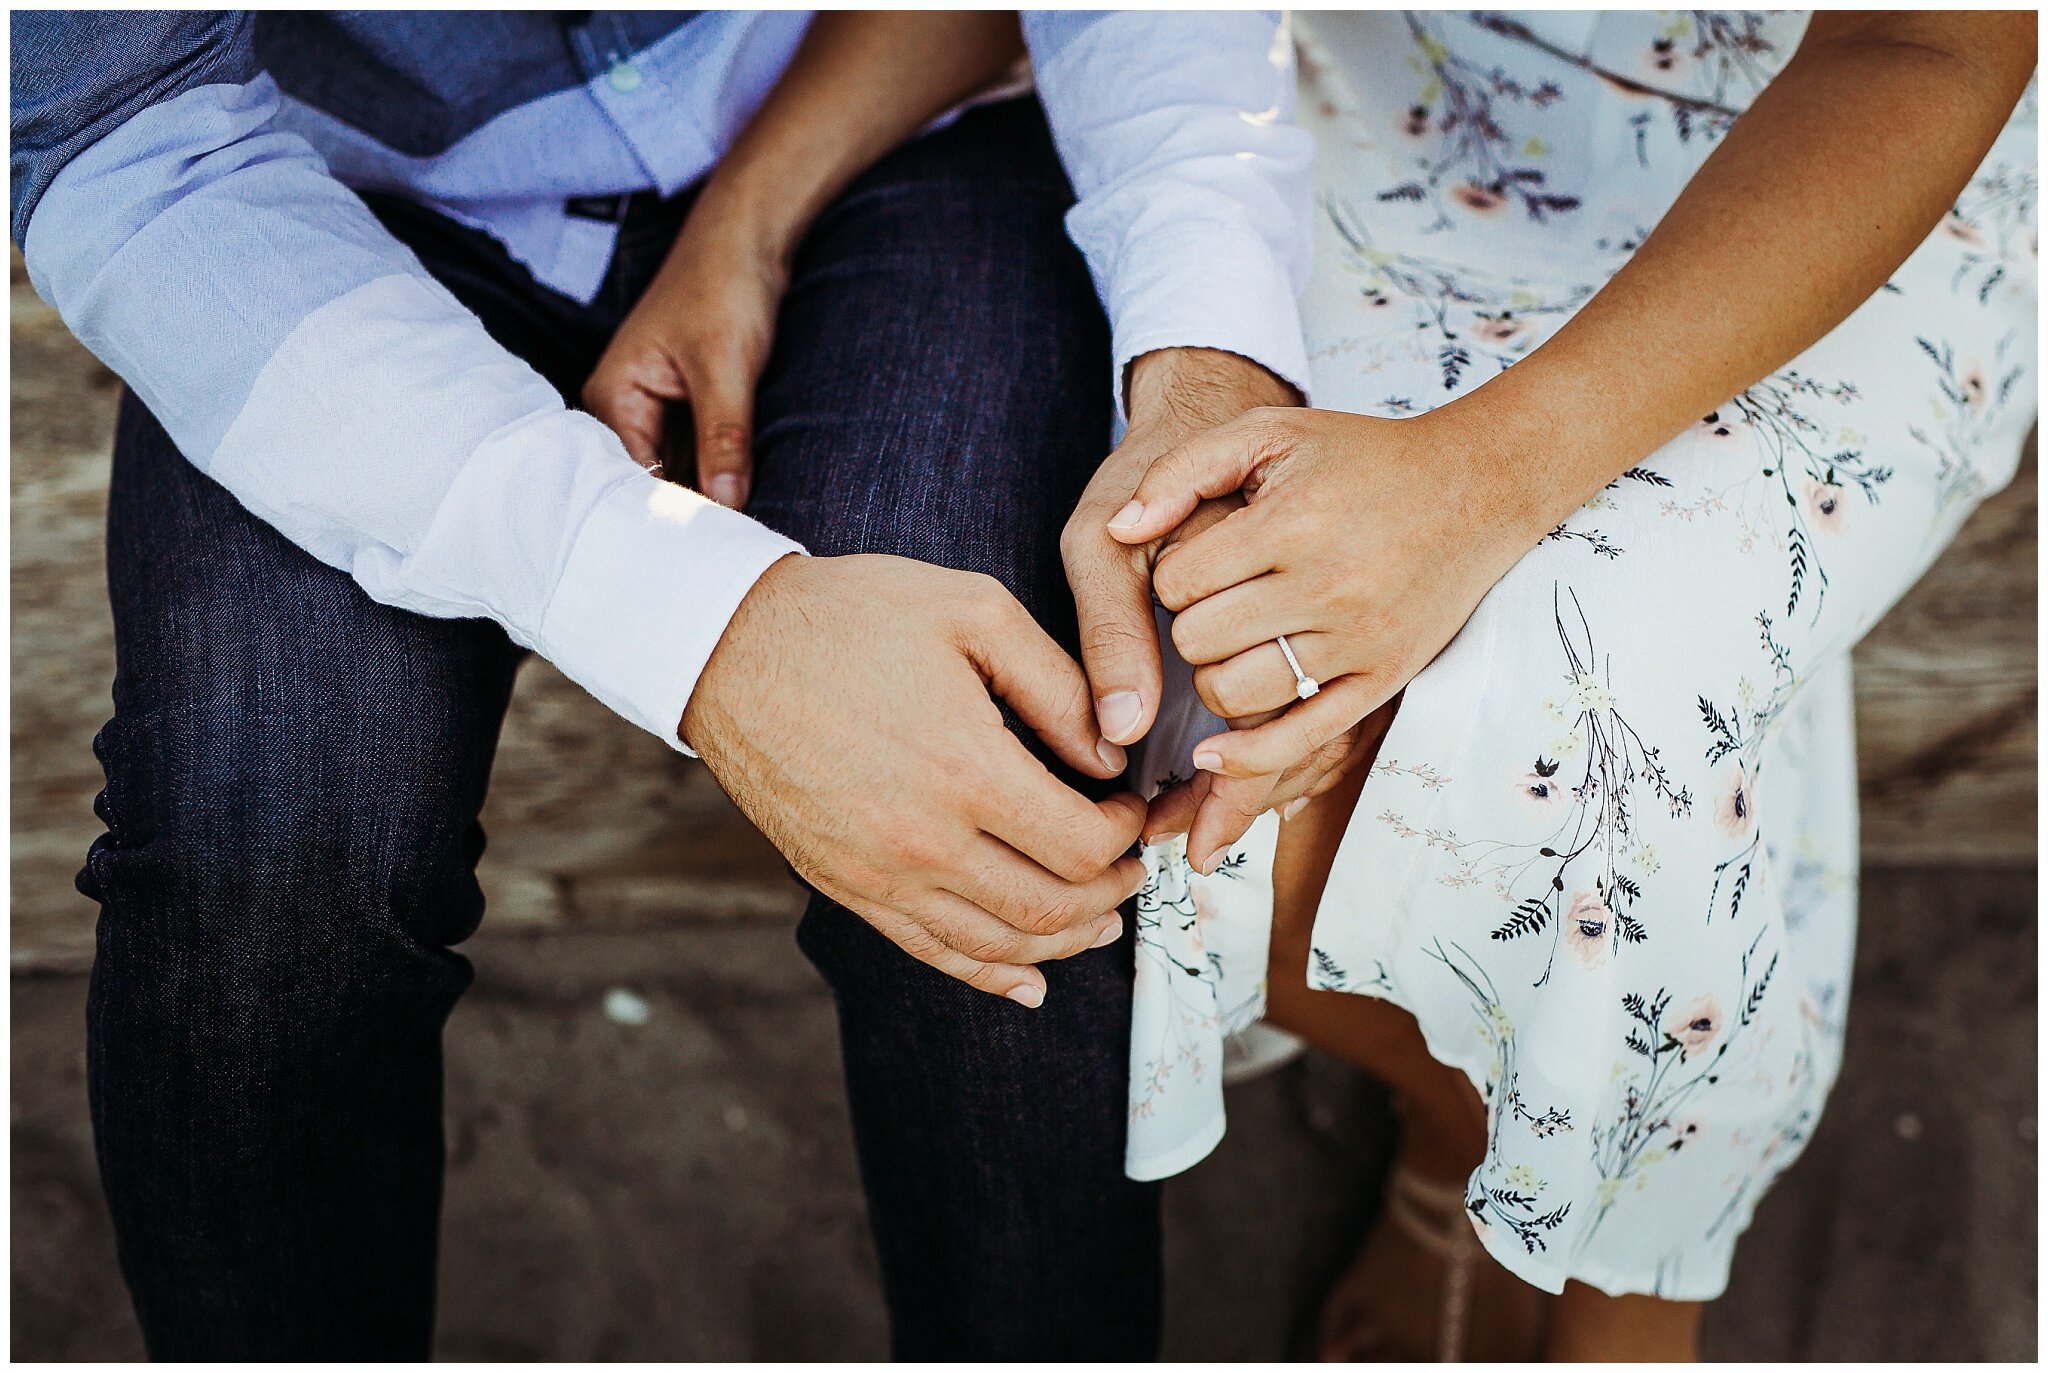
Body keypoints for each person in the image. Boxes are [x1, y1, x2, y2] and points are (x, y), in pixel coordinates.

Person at [10, 10, 1316, 1359]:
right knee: (261, 860)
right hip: (310, 203)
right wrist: (707, 629)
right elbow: (118, 124)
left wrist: (1206, 361)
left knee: (1019, 796)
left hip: (873, 98)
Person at [1094, 9, 2037, 1361]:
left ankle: (1635, 1316)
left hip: (1868, 125)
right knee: (1210, 708)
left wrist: (1482, 483)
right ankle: (1459, 1120)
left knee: (1612, 714)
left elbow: (1928, 42)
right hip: (1385, 85)